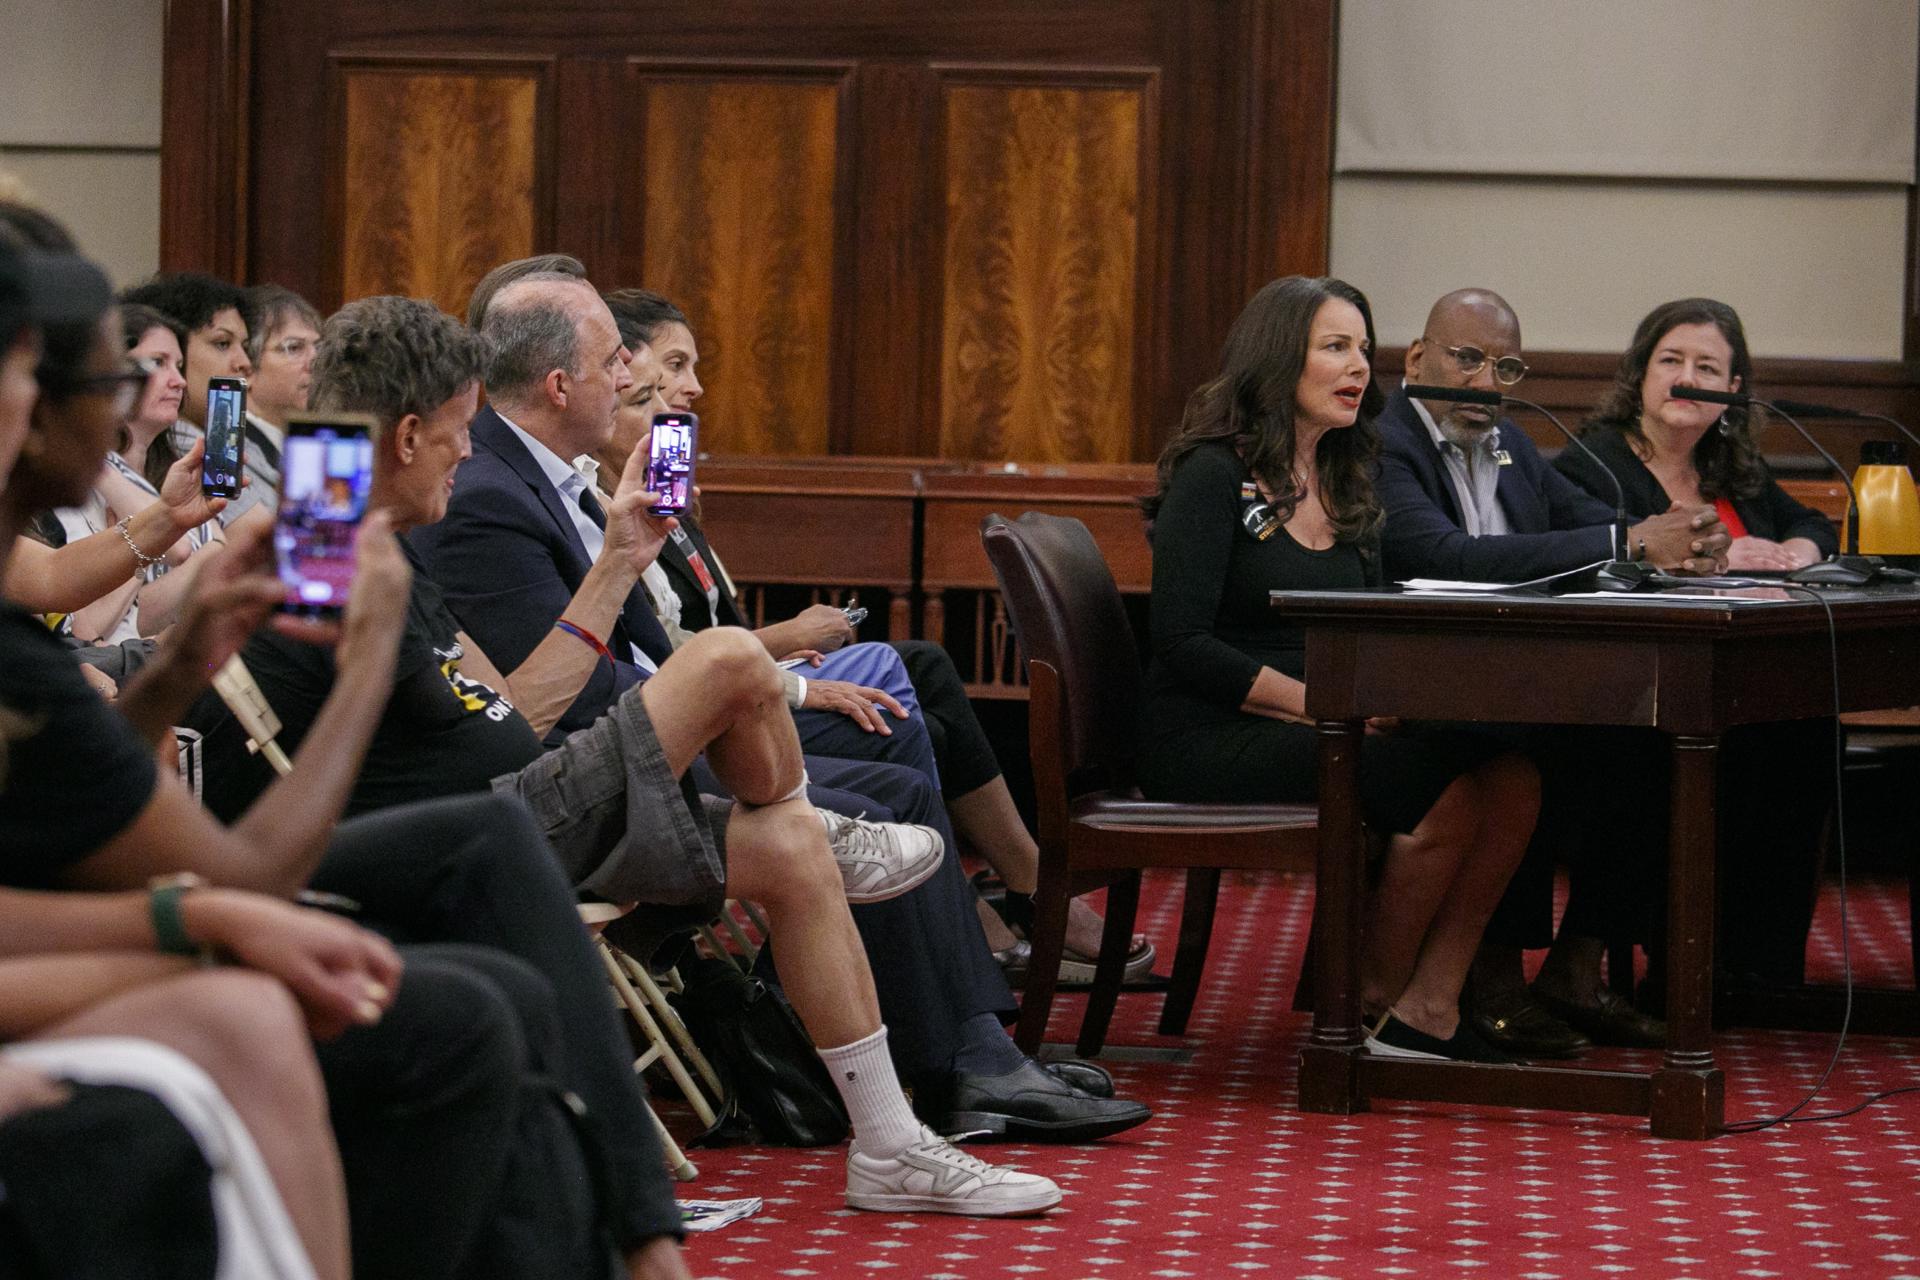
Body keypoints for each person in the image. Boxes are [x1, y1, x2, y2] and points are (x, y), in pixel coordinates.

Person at [192, 292, 1078, 1211]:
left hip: (510, 779)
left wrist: (617, 561)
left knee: (789, 847)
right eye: (459, 430)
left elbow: (503, 705)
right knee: (729, 658)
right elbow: (348, 710)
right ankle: (808, 808)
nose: (469, 448)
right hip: (476, 827)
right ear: (409, 435)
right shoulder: (329, 542)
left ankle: (891, 1146)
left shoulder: (359, 518)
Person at [1, 228, 693, 1279]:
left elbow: (484, 711)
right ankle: (649, 1241)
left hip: (350, 812)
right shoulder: (348, 541)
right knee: (502, 892)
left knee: (503, 943)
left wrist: (184, 654)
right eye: (110, 375)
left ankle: (637, 1238)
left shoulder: (357, 531)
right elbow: (248, 842)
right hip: (293, 831)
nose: (471, 451)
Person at [432, 267, 1149, 1139]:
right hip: (587, 791)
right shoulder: (487, 500)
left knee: (893, 769)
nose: (632, 379)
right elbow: (558, 703)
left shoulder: (549, 477)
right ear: (561, 384)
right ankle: (950, 1064)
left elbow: (641, 649)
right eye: (614, 360)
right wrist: (722, 683)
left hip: (638, 749)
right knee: (852, 786)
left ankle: (965, 1054)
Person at [600, 285, 1154, 983]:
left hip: (733, 699)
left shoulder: (660, 489)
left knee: (919, 676)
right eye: (667, 376)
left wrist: (731, 586)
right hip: (698, 730)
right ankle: (979, 923)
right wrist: (791, 658)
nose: (692, 391)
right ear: (613, 382)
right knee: (903, 716)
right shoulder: (606, 505)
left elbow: (711, 627)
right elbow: (668, 662)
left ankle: (1013, 890)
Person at [1136, 275, 1541, 1063]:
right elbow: (1182, 643)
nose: (1359, 367)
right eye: (1335, 348)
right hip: (1211, 727)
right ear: (1278, 360)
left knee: (1515, 777)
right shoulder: (1213, 474)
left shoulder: (1350, 477)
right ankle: (1366, 1005)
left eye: (1362, 349)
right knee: (1446, 799)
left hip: (1329, 715)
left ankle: (1432, 1004)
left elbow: (1372, 625)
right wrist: (1328, 706)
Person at [1371, 288, 1734, 1053]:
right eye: (1466, 359)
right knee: (1527, 746)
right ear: (1417, 358)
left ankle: (1576, 965)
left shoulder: (1506, 447)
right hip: (1422, 686)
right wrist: (1630, 543)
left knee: (1651, 740)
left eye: (1504, 366)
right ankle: (1492, 981)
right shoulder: (1385, 444)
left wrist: (1674, 534)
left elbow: (1588, 522)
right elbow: (1443, 558)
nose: (1484, 382)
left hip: (1512, 676)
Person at [1556, 298, 1837, 987]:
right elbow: (1599, 551)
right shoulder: (1593, 461)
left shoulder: (1731, 466)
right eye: (1671, 361)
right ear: (1641, 374)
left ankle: (1750, 965)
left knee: (1804, 729)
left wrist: (1794, 549)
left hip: (1738, 680)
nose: (1686, 378)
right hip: (1629, 685)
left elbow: (1813, 526)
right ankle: (1667, 957)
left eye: (1707, 367)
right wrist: (1727, 557)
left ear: (1732, 391)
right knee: (1684, 746)